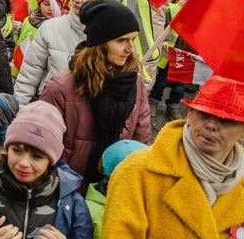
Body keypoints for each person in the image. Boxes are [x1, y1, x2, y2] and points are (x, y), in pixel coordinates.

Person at [102, 74, 244, 236]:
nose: (211, 125)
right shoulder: (136, 171)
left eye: (225, 120)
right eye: (203, 114)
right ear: (189, 115)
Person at [38, 0, 152, 184]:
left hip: (116, 186)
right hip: (70, 188)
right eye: (121, 40)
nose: (130, 49)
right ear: (100, 43)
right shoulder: (61, 87)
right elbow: (42, 144)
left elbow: (141, 138)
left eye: (133, 39)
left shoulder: (135, 82)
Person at [0, 101, 94, 239]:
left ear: (51, 160)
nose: (24, 163)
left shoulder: (72, 203)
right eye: (17, 150)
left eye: (36, 157)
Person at [14, 0, 122, 103]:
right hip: (49, 111)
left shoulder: (116, 37)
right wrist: (21, 114)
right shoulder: (50, 28)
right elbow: (27, 79)